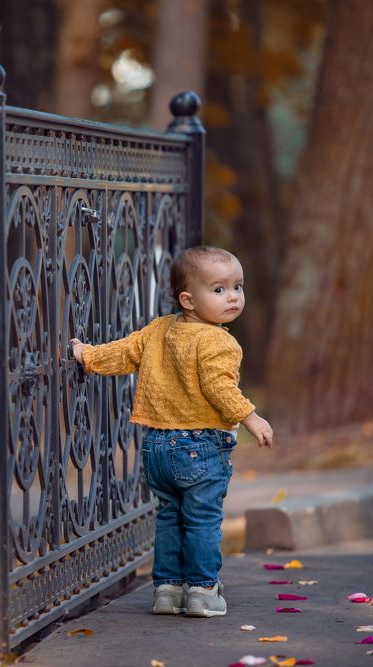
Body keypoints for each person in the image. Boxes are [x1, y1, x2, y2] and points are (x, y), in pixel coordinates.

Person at [70, 245, 273, 618]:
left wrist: (88, 356)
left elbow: (125, 352)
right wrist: (251, 417)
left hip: (157, 446)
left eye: (238, 287)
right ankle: (200, 590)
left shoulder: (159, 329)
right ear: (188, 299)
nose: (233, 297)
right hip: (200, 448)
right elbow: (219, 388)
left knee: (168, 516)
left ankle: (167, 589)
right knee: (201, 519)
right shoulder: (219, 342)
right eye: (219, 289)